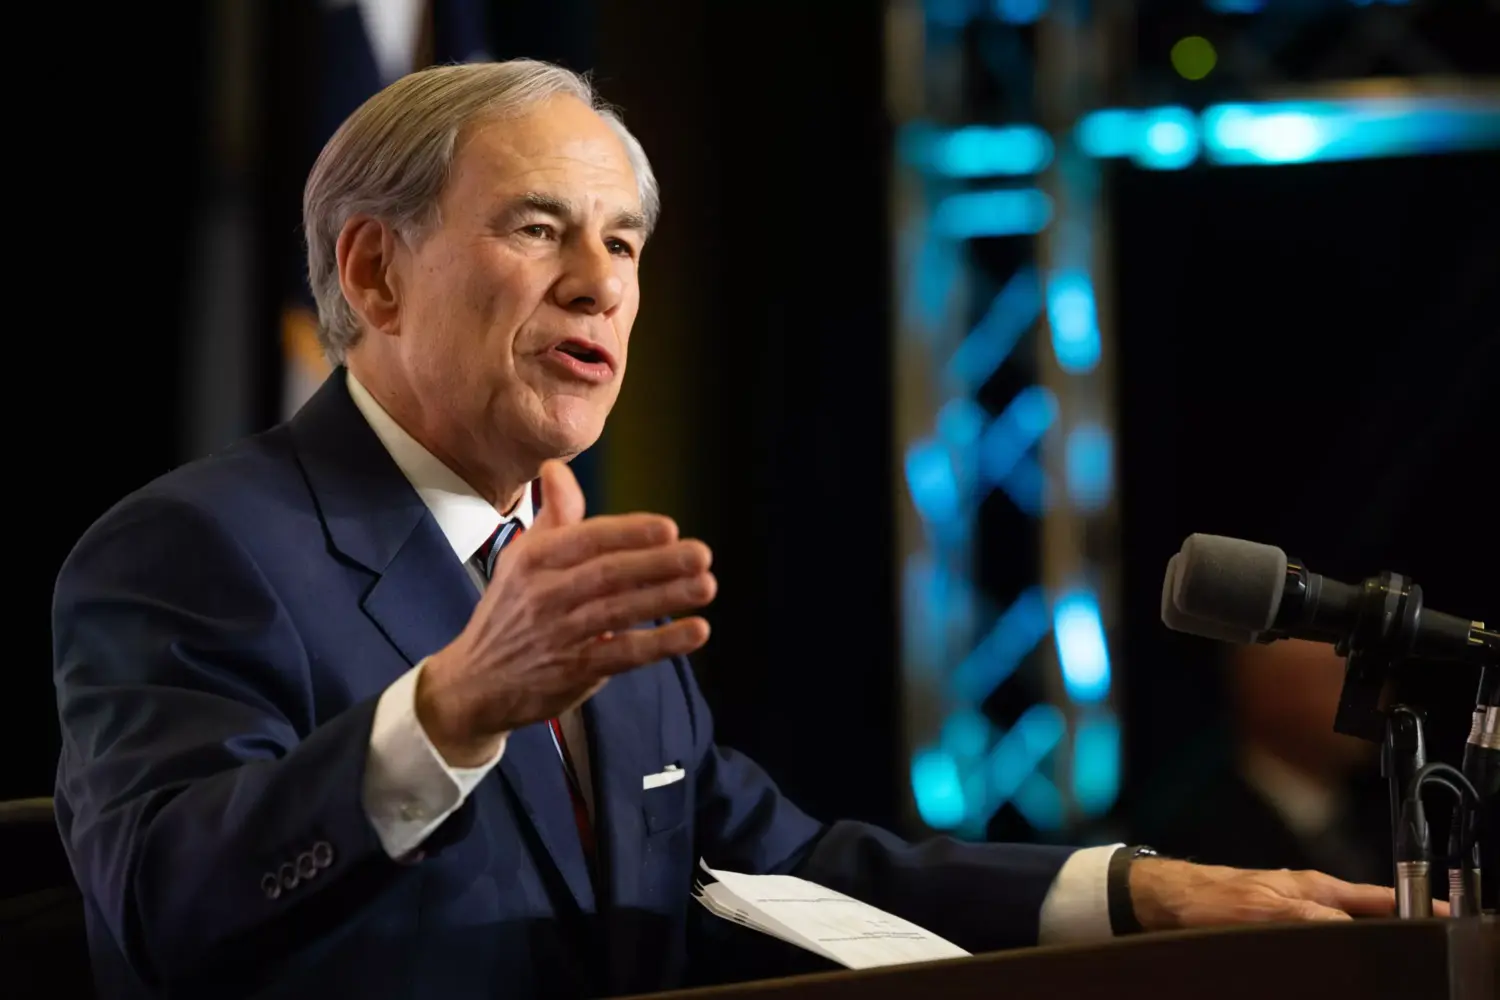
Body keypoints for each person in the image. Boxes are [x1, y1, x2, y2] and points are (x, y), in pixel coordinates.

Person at [53, 60, 1403, 1000]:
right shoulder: (197, 551)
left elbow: (780, 867)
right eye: (541, 230)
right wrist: (451, 709)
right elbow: (162, 918)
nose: (600, 286)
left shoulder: (575, 577)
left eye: (627, 242)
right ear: (373, 268)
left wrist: (1132, 897)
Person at [1144, 639, 1390, 885]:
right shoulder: (1202, 842)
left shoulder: (1380, 812)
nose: (1376, 701)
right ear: (1268, 692)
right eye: (1339, 680)